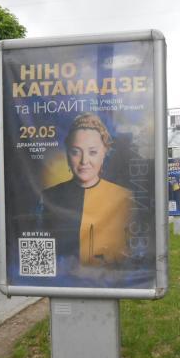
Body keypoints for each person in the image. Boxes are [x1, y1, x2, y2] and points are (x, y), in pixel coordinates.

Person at [40, 113, 132, 267]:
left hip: (108, 280)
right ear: (67, 154)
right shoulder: (48, 197)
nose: (84, 161)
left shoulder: (124, 198)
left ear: (104, 153)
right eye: (76, 152)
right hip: (63, 279)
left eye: (93, 152)